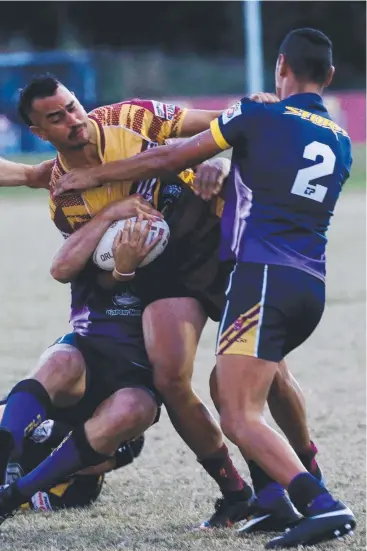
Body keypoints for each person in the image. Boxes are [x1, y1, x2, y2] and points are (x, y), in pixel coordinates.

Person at [54, 28, 357, 547]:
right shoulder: (341, 139)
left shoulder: (258, 115)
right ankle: (270, 496)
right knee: (229, 384)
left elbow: (170, 157)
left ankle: (320, 503)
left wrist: (93, 177)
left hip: (261, 278)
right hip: (310, 283)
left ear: (280, 65)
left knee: (239, 413)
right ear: (328, 77)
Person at [0, 77, 324, 530]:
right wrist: (125, 267)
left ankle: (309, 473)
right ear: (39, 132)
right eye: (57, 117)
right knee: (170, 379)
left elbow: (223, 123)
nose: (74, 120)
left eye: (73, 106)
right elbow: (94, 264)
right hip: (168, 271)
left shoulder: (128, 117)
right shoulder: (66, 197)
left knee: (269, 373)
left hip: (221, 239)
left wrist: (223, 161)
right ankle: (241, 495)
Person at [0, 199, 163, 524]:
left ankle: (11, 496)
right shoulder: (88, 200)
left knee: (132, 414)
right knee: (61, 363)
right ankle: (7, 449)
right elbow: (61, 269)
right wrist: (111, 217)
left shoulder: (177, 214)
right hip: (84, 357)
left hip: (135, 382)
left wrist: (220, 167)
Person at [0, 401, 145, 512]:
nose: (97, 455)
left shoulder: (81, 491)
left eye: (108, 460)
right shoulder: (62, 425)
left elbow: (18, 501)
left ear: (110, 468)